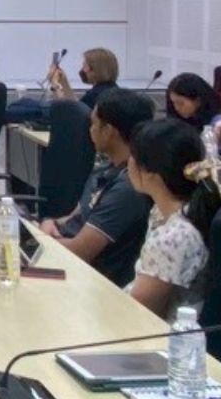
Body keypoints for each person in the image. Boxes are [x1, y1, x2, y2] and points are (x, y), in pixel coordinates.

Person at [39, 90, 157, 285]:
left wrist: (39, 238)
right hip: (67, 258)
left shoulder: (127, 188)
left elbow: (80, 251)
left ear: (109, 131)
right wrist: (51, 223)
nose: (90, 130)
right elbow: (75, 216)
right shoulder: (107, 168)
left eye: (93, 124)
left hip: (88, 280)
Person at [119, 118, 221, 319]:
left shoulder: (174, 237)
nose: (128, 162)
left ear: (151, 174)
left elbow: (143, 312)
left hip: (156, 329)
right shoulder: (166, 211)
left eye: (133, 156)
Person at [47, 47, 120, 109]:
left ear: (95, 70)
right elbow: (77, 105)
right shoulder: (113, 90)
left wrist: (55, 85)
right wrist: (64, 82)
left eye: (84, 66)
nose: (82, 70)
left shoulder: (95, 95)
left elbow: (71, 112)